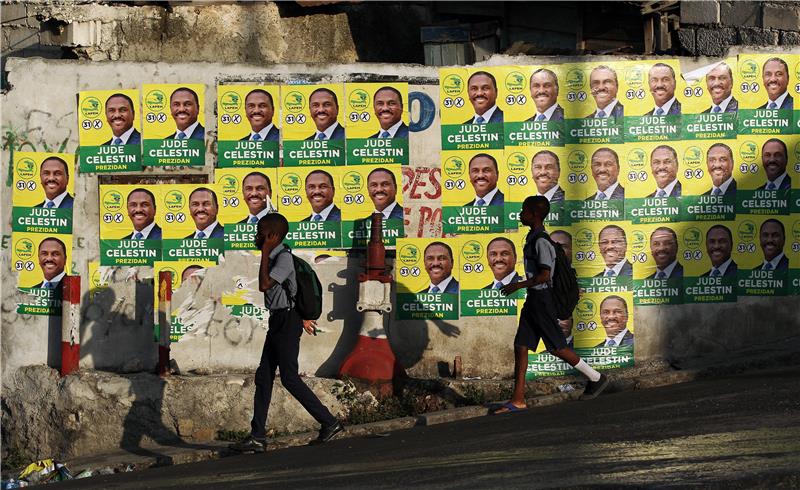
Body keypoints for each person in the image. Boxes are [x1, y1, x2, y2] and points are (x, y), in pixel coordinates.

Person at [230, 213, 343, 453]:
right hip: (279, 320)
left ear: (273, 236)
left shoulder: (282, 258)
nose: (257, 236)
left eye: (261, 232)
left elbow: (264, 285)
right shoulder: (275, 257)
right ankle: (257, 436)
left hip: (287, 320)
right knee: (264, 377)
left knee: (289, 377)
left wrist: (264, 252)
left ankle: (329, 422)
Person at [494, 195, 609, 414]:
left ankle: (596, 377)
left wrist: (517, 285)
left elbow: (545, 275)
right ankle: (518, 400)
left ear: (534, 215)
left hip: (542, 299)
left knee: (557, 347)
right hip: (533, 300)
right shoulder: (532, 238)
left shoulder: (541, 241)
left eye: (524, 210)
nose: (520, 214)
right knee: (521, 346)